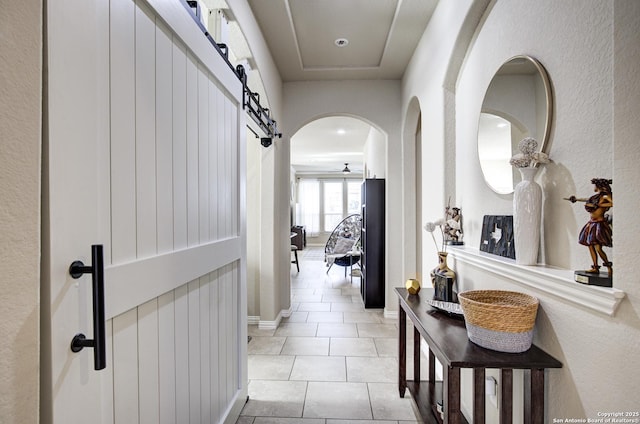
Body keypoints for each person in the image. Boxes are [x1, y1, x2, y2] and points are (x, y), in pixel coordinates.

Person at [565, 178, 613, 276]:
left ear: (599, 186)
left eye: (595, 185)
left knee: (598, 248)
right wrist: (576, 199)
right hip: (591, 223)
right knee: (590, 245)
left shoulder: (605, 196)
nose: (594, 187)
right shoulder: (596, 197)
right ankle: (595, 267)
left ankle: (608, 267)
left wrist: (601, 204)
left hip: (599, 225)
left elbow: (613, 203)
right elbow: (587, 199)